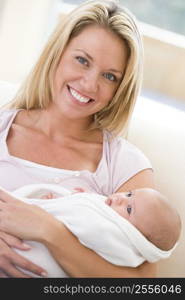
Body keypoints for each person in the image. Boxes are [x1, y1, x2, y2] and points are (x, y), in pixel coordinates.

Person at [0, 0, 157, 277]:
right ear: (57, 53)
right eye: (82, 60)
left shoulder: (124, 166)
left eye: (109, 76)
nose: (89, 84)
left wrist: (51, 231)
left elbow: (144, 285)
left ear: (120, 89)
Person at [0, 185, 181, 277]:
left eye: (129, 210)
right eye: (129, 194)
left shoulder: (116, 237)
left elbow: (137, 286)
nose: (119, 199)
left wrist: (50, 227)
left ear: (138, 239)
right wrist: (64, 200)